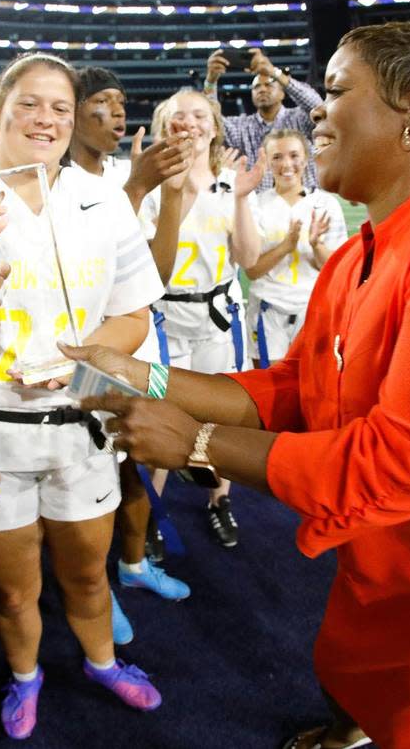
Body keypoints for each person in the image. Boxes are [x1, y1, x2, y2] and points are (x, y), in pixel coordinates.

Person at [69, 21, 410, 749]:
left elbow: (406, 458)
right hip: (393, 541)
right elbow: (296, 389)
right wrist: (145, 373)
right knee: (349, 674)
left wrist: (196, 444)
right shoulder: (358, 254)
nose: (315, 109)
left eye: (338, 90)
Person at [0, 53, 166, 740]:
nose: (46, 119)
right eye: (29, 103)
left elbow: (135, 315)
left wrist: (77, 363)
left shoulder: (102, 198)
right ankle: (26, 675)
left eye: (61, 108)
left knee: (86, 575)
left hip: (79, 423)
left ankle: (103, 661)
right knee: (14, 588)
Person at [69, 66, 193, 641]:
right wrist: (139, 189)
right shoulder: (55, 181)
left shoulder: (124, 171)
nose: (118, 112)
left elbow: (156, 276)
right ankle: (97, 595)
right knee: (86, 484)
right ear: (72, 111)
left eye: (121, 102)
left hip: (141, 342)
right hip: (84, 357)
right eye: (102, 102)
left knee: (141, 463)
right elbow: (85, 270)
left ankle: (135, 565)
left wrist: (168, 196)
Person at [141, 87, 263, 548]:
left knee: (220, 418)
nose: (189, 123)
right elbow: (153, 268)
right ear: (163, 126)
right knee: (160, 415)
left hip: (217, 318)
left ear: (213, 126)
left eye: (198, 115)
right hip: (167, 317)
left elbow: (249, 259)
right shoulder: (150, 185)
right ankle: (152, 509)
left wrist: (243, 200)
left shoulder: (230, 180)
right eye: (178, 116)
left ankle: (219, 500)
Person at [245, 128, 347, 366]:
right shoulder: (256, 205)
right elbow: (252, 271)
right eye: (277, 157)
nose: (286, 164)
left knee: (311, 385)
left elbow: (334, 270)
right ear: (268, 161)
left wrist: (316, 244)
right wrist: (285, 246)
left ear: (306, 158)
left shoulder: (325, 204)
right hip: (267, 311)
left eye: (293, 155)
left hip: (311, 310)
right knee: (266, 387)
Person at [204, 46, 322, 189]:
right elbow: (210, 120)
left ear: (282, 93)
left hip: (304, 200)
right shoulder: (241, 127)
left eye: (269, 85)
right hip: (258, 206)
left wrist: (274, 72)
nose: (262, 89)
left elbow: (318, 107)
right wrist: (210, 81)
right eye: (256, 87)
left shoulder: (299, 118)